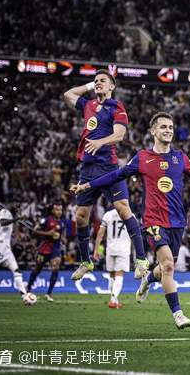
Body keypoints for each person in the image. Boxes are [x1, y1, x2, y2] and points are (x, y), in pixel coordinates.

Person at [71, 112, 190, 329]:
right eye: (163, 127)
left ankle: (148, 280)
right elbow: (115, 175)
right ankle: (178, 314)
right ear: (153, 131)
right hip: (153, 222)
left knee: (163, 269)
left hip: (177, 222)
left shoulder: (180, 158)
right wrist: (87, 186)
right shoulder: (143, 158)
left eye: (170, 127)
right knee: (169, 265)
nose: (168, 130)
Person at [62, 70, 148, 281]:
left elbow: (119, 135)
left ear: (112, 86)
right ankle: (86, 262)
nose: (98, 83)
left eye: (103, 81)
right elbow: (68, 94)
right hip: (88, 168)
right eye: (96, 81)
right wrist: (89, 86)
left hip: (108, 167)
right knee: (81, 216)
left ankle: (141, 260)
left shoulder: (116, 107)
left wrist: (99, 142)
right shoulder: (88, 105)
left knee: (123, 208)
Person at [26, 203, 66, 302]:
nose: (59, 212)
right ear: (52, 211)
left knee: (56, 266)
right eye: (57, 210)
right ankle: (28, 288)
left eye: (60, 210)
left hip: (55, 248)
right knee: (37, 269)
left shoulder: (62, 221)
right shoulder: (46, 220)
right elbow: (34, 231)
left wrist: (62, 238)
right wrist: (47, 233)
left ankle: (49, 293)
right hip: (44, 248)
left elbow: (60, 233)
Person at [94, 208, 132, 308]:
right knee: (119, 274)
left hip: (110, 248)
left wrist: (96, 249)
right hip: (123, 249)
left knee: (111, 275)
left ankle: (114, 300)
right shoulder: (130, 214)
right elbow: (135, 234)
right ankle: (113, 300)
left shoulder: (108, 215)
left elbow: (101, 232)